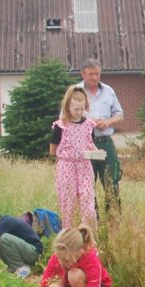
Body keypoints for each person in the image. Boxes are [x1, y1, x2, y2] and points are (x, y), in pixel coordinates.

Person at [50, 84, 97, 227]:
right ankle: (68, 233)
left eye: (82, 109)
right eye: (76, 109)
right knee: (68, 202)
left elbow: (91, 143)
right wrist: (67, 156)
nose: (79, 112)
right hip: (67, 167)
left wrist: (96, 152)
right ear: (68, 107)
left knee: (87, 200)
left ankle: (87, 233)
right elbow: (53, 150)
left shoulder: (88, 124)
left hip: (84, 167)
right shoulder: (61, 125)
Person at [77, 58, 124, 200]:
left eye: (97, 74)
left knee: (112, 181)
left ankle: (113, 219)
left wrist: (108, 122)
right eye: (91, 74)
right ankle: (93, 219)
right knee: (87, 185)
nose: (95, 77)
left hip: (105, 143)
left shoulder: (109, 91)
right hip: (84, 143)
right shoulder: (75, 91)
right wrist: (88, 120)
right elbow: (65, 117)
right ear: (83, 74)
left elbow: (120, 114)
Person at [39, 225, 112, 287]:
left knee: (74, 275)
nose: (61, 262)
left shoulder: (92, 261)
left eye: (65, 260)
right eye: (58, 258)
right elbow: (44, 282)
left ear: (80, 253)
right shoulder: (59, 255)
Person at [0, 205, 43, 276]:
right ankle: (13, 267)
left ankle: (21, 268)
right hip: (25, 251)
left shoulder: (5, 223)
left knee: (3, 238)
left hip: (34, 252)